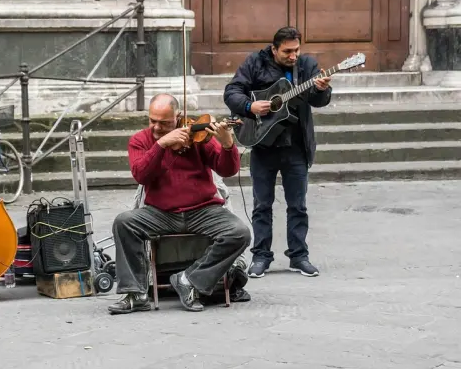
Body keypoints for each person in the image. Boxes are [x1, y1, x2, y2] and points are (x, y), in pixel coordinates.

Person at [108, 93, 251, 314]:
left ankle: (188, 280)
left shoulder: (198, 136)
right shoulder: (140, 141)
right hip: (160, 212)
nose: (156, 127)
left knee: (240, 232)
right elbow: (141, 175)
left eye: (164, 123)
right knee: (124, 222)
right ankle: (136, 293)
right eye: (152, 121)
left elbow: (227, 170)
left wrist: (227, 145)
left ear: (179, 117)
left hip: (204, 210)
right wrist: (162, 144)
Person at [223, 26, 332, 279]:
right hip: (263, 144)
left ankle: (299, 256)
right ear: (274, 49)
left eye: (296, 50)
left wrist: (321, 89)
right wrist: (250, 106)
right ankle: (261, 256)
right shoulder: (255, 62)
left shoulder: (307, 66)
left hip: (296, 145)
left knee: (298, 205)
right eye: (287, 52)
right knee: (262, 205)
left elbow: (319, 101)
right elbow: (232, 92)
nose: (293, 56)